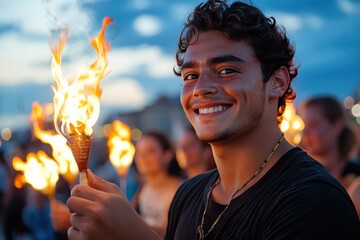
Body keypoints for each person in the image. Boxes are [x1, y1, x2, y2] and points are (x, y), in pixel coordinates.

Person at [66, 1, 360, 239]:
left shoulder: (312, 202)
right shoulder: (189, 195)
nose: (201, 88)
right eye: (190, 75)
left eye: (227, 70)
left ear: (277, 82)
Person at [299, 96, 360, 189]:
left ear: (337, 125)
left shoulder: (356, 177)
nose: (305, 132)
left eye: (313, 124)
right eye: (304, 125)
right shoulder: (300, 178)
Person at [131, 131, 184, 236]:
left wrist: (130, 225)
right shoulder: (143, 186)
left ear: (167, 155)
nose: (142, 157)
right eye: (139, 151)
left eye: (150, 151)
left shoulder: (181, 190)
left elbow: (173, 234)